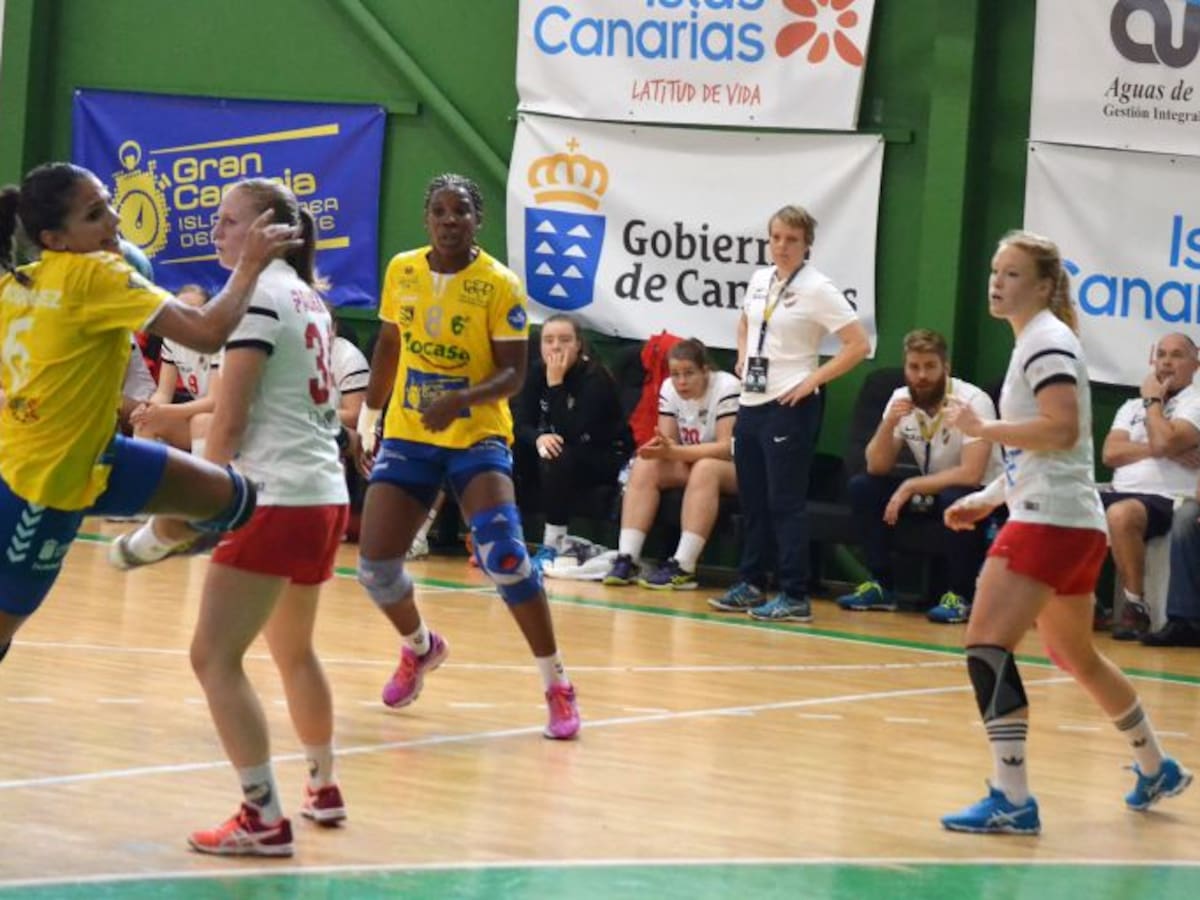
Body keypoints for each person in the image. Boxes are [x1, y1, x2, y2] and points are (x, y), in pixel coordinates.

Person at [111, 179, 350, 857]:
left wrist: (203, 504)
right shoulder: (305, 296)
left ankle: (262, 817)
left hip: (273, 495)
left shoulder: (257, 300)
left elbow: (231, 417)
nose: (216, 232)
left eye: (229, 222)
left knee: (213, 657)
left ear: (268, 232)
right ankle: (322, 785)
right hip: (322, 495)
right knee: (293, 650)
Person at [939, 230, 1191, 835]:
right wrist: (987, 497)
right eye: (995, 272)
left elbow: (1061, 429)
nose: (997, 283)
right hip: (1070, 518)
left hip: (1050, 521)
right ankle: (1156, 766)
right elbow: (1055, 452)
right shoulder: (1039, 339)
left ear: (1045, 286)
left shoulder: (1046, 341)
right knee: (1075, 655)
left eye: (1013, 274)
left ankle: (1012, 796)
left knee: (986, 646)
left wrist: (982, 429)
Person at [0, 162, 295, 665]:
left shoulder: (17, 284)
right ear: (55, 239)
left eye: (109, 204)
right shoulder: (96, 274)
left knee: (234, 501)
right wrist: (249, 265)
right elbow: (207, 332)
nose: (114, 220)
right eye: (95, 214)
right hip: (46, 482)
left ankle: (151, 541)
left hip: (98, 456)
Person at [354, 173, 580, 740]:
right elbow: (390, 345)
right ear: (426, 218)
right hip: (410, 435)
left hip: (476, 436)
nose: (449, 220)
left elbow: (513, 375)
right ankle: (419, 648)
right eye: (440, 211)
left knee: (505, 556)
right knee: (375, 567)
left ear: (478, 220)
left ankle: (557, 684)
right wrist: (369, 417)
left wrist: (460, 399)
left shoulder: (499, 284)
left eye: (461, 211)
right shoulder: (402, 270)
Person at [708, 204, 870, 621]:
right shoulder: (760, 279)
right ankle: (751, 583)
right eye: (776, 237)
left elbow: (858, 344)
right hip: (751, 402)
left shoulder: (818, 288)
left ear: (806, 245)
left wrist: (813, 380)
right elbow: (746, 323)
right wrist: (742, 356)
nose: (782, 246)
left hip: (790, 405)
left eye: (792, 239)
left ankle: (795, 593)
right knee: (753, 499)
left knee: (785, 501)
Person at [835, 328, 1002, 623]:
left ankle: (961, 595)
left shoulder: (973, 401)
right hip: (933, 484)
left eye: (930, 366)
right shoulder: (900, 398)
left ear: (945, 368)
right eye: (914, 367)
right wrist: (888, 424)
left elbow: (971, 473)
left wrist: (911, 485)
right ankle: (881, 584)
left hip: (982, 492)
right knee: (863, 487)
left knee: (955, 498)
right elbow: (876, 467)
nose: (921, 376)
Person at [602, 338, 740, 589]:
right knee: (644, 465)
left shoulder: (727, 386)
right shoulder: (668, 388)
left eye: (689, 373)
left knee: (705, 468)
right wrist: (658, 450)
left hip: (736, 468)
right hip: (691, 461)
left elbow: (724, 449)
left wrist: (674, 452)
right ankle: (627, 559)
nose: (681, 381)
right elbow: (669, 444)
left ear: (705, 370)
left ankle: (683, 566)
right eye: (676, 374)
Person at [1100, 332, 1200, 640]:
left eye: (1177, 355)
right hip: (1118, 489)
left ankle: (1135, 607)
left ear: (1196, 364)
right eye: (1162, 354)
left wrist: (1153, 402)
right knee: (1064, 503)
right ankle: (1083, 603)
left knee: (1121, 514)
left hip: (1166, 497)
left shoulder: (1195, 402)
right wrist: (1164, 450)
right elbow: (1110, 453)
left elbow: (1165, 440)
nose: (1167, 362)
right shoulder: (1130, 407)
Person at [511, 313, 631, 570]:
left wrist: (556, 384)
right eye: (549, 340)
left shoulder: (595, 379)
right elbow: (520, 424)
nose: (556, 347)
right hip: (558, 451)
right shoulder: (535, 371)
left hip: (601, 458)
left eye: (564, 340)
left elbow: (572, 432)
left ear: (578, 345)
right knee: (511, 451)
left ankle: (553, 544)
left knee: (556, 453)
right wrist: (538, 438)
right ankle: (507, 538)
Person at [130, 284, 220, 451]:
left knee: (202, 421)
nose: (184, 318)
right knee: (145, 421)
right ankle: (142, 469)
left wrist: (163, 410)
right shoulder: (172, 340)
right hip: (199, 415)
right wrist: (148, 409)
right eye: (179, 311)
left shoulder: (219, 342)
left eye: (193, 311)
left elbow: (214, 402)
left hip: (234, 423)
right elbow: (163, 393)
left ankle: (202, 470)